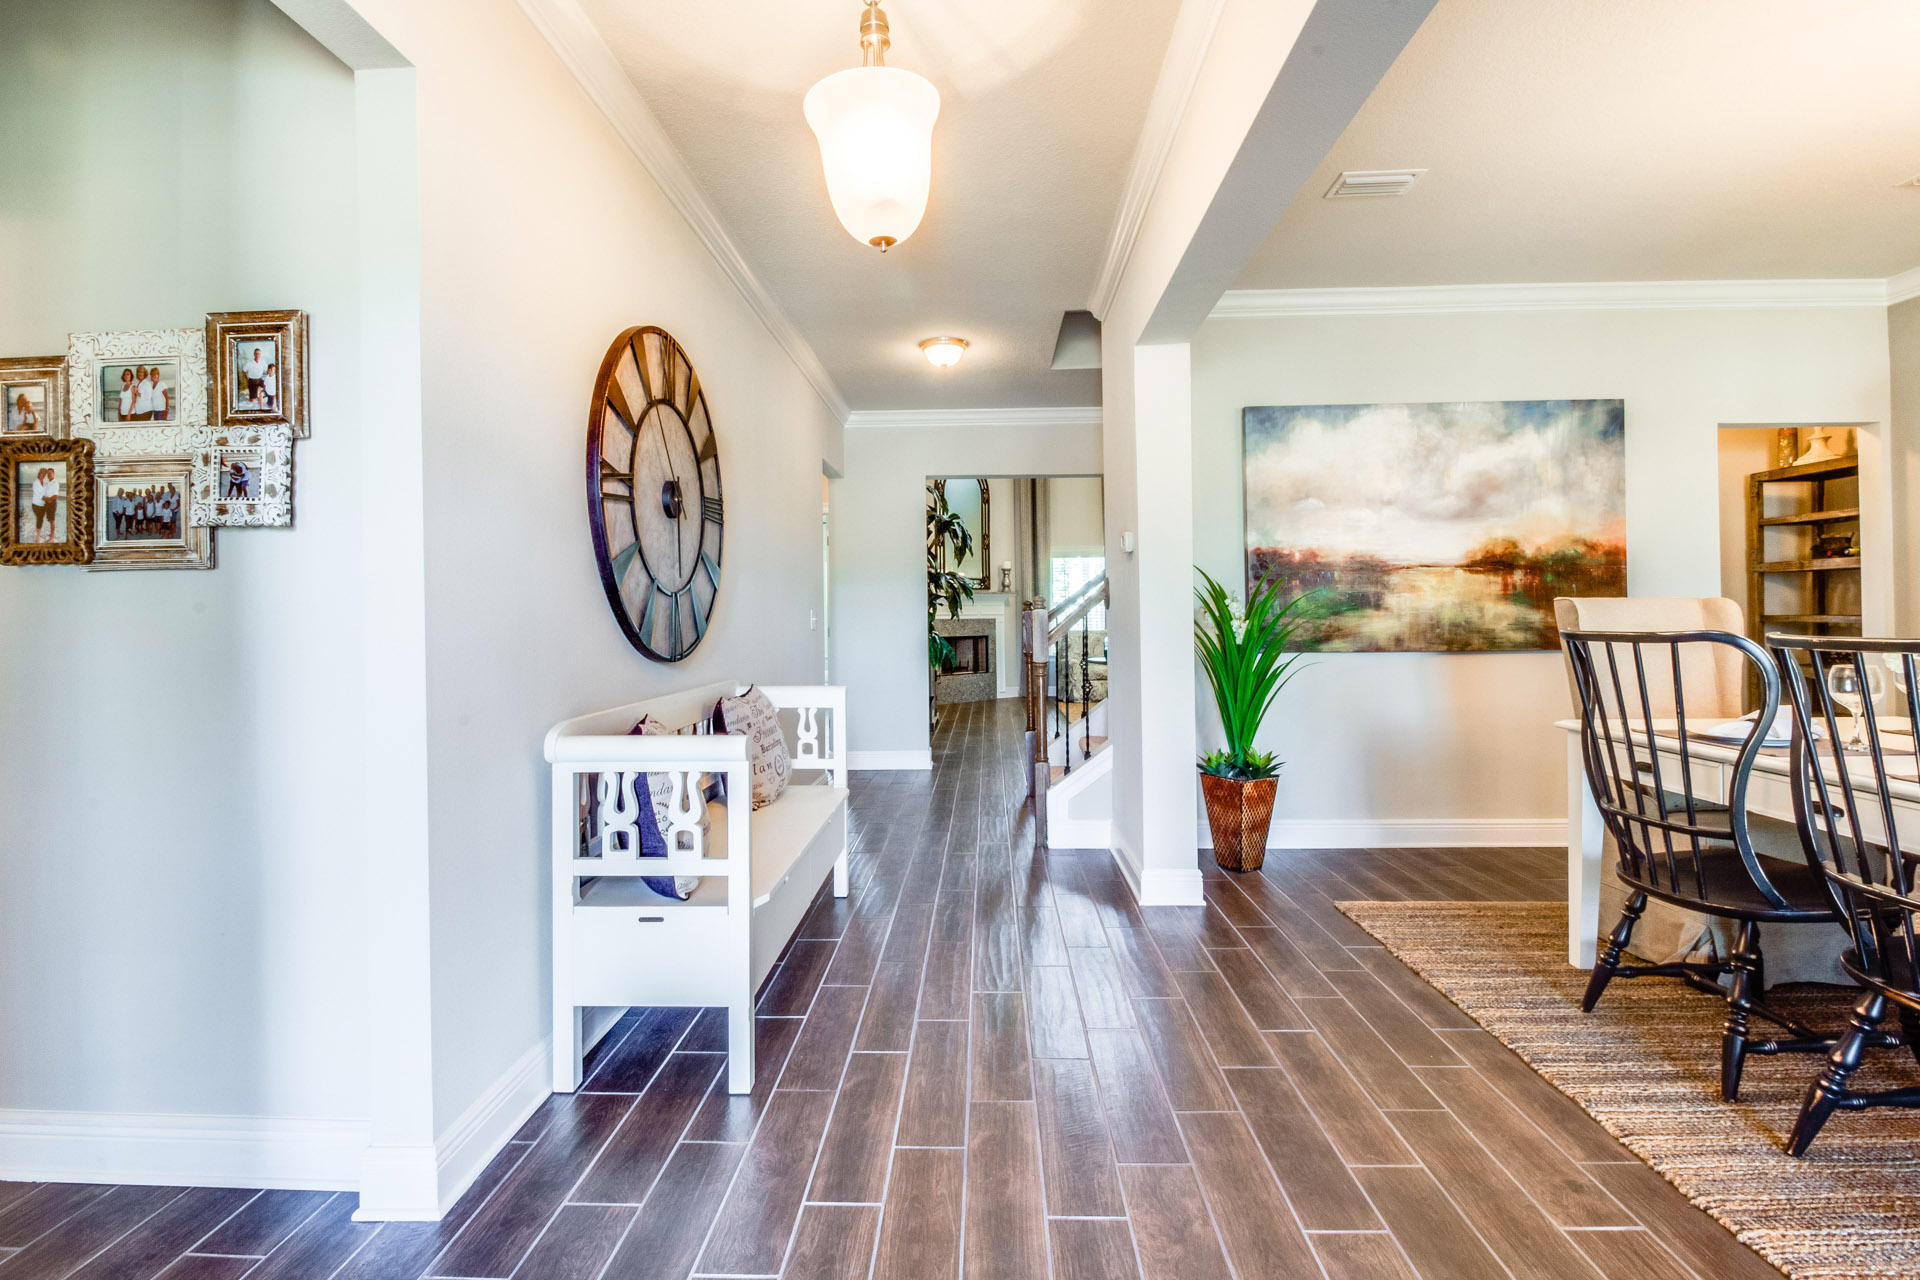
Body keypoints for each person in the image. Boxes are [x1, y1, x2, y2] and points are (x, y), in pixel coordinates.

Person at [29, 467, 57, 543]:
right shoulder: (35, 482)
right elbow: (39, 495)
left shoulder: (45, 483)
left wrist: (50, 498)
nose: (43, 475)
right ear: (39, 473)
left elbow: (47, 492)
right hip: (36, 504)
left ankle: (39, 534)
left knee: (41, 519)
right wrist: (49, 500)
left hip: (43, 505)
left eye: (44, 474)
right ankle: (38, 537)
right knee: (39, 519)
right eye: (42, 473)